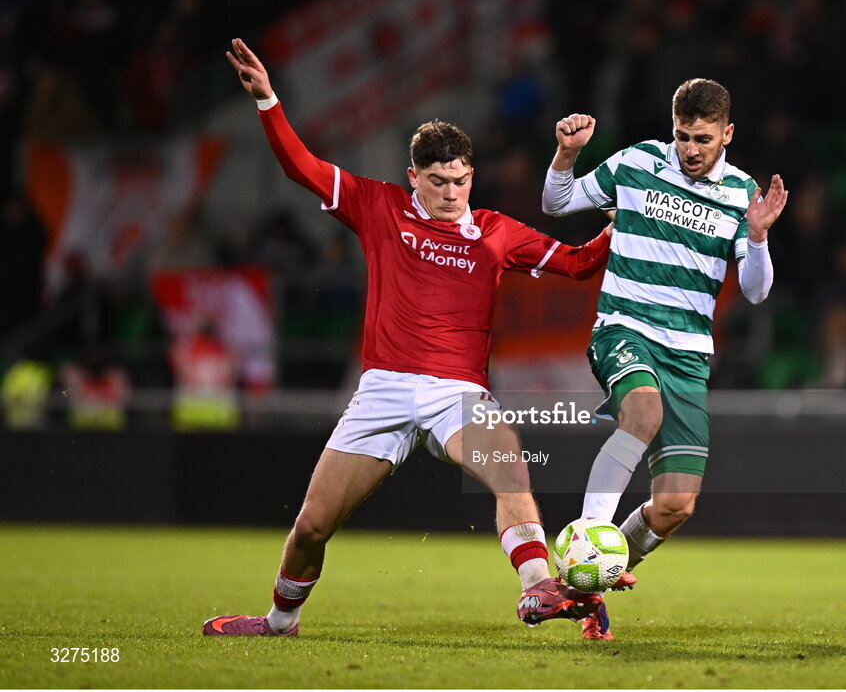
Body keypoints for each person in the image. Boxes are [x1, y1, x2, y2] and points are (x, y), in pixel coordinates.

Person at [202, 39, 613, 637]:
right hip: (385, 389)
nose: (452, 193)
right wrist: (268, 101)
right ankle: (279, 621)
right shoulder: (378, 206)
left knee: (512, 474)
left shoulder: (497, 232)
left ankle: (537, 590)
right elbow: (301, 167)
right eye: (439, 181)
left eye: (462, 180)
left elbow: (577, 265)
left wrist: (615, 230)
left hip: (460, 392)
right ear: (413, 176)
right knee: (313, 526)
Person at [542, 78, 788, 639]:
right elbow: (556, 203)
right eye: (683, 136)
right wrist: (566, 154)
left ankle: (590, 584)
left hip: (688, 356)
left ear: (727, 133)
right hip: (624, 329)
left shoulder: (740, 193)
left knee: (675, 504)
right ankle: (588, 539)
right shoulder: (637, 162)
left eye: (703, 139)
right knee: (643, 413)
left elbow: (754, 291)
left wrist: (757, 238)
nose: (691, 150)